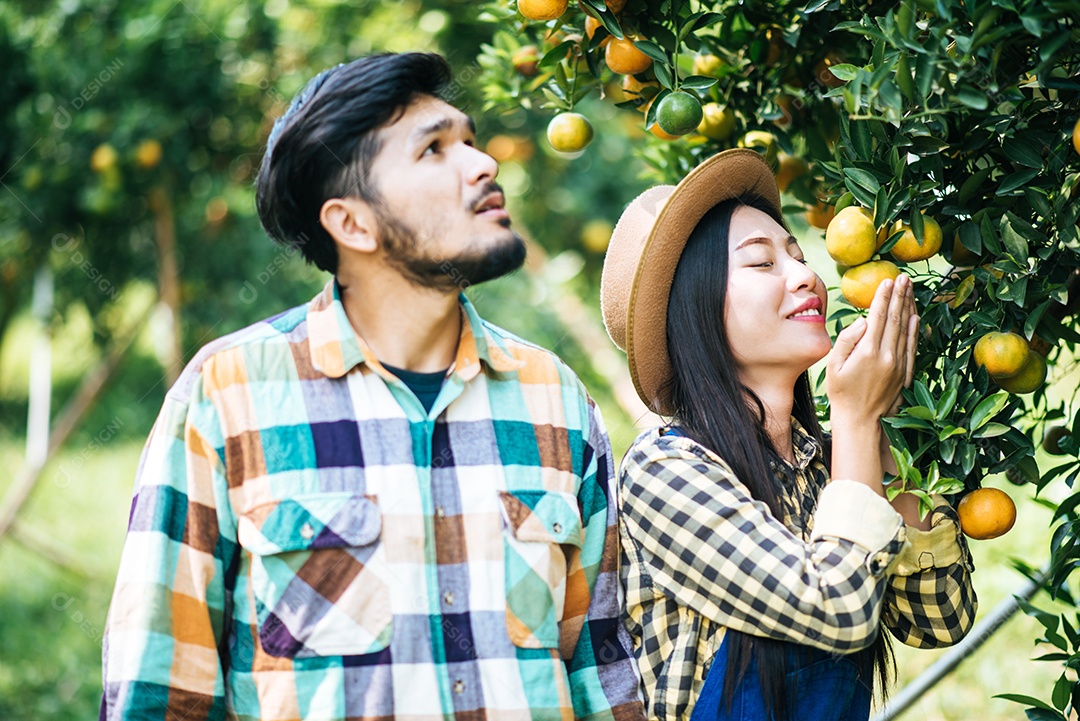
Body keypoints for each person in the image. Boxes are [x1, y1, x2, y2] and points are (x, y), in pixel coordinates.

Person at [100, 52, 644, 721]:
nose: (483, 164)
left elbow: (603, 676)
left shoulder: (554, 396)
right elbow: (162, 690)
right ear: (352, 223)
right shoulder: (228, 394)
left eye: (470, 141)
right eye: (435, 150)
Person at [599, 149, 977, 721]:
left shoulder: (828, 462)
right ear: (695, 309)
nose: (807, 276)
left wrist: (879, 436)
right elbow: (838, 610)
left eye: (798, 257)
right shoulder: (665, 469)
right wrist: (853, 420)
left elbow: (941, 619)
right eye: (762, 264)